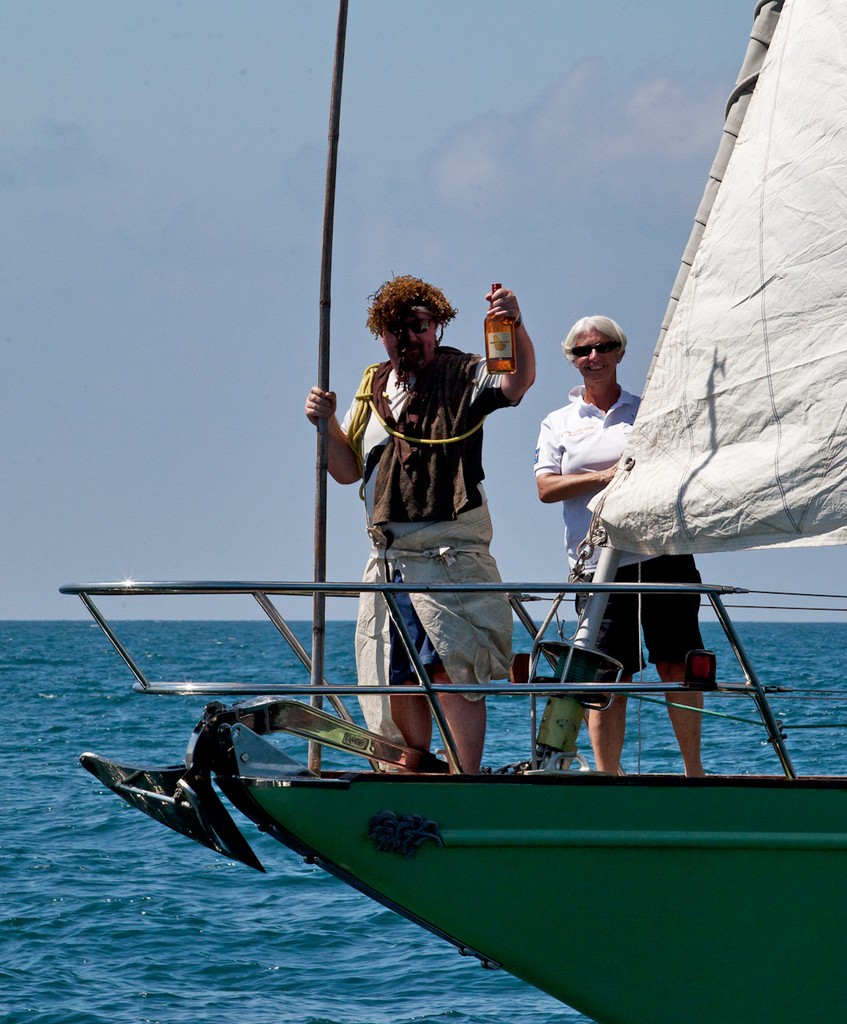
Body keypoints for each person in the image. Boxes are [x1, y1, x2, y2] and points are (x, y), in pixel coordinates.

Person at [305, 275, 535, 773]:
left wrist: (513, 324)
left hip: (448, 554)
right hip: (389, 561)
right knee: (398, 676)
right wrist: (327, 427)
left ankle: (464, 778)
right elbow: (346, 472)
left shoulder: (463, 374)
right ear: (380, 334)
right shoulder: (372, 385)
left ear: (437, 326)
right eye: (395, 328)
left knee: (453, 667)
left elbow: (517, 383)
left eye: (418, 325)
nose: (407, 336)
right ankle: (416, 768)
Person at [534, 315, 705, 777]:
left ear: (620, 353)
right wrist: (604, 478)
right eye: (583, 351)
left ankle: (695, 773)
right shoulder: (557, 422)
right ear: (571, 360)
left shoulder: (648, 411)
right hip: (597, 566)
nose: (594, 357)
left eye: (603, 347)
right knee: (610, 674)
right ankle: (608, 779)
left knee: (677, 665)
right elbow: (546, 489)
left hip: (661, 554)